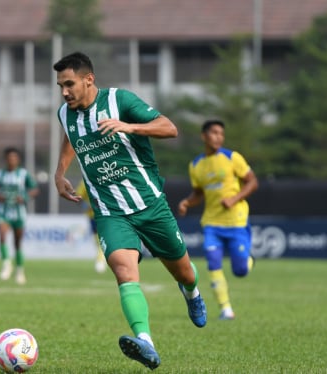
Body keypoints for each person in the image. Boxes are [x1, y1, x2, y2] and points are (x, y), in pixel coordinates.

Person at [52, 52, 207, 370]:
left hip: (150, 205)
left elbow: (169, 128)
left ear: (88, 79)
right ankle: (146, 342)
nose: (64, 92)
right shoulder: (65, 113)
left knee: (185, 273)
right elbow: (72, 137)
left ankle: (192, 294)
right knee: (124, 271)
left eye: (69, 84)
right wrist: (59, 173)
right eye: (60, 86)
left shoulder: (119, 100)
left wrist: (129, 127)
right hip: (109, 211)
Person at [177, 119, 258, 320]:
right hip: (211, 223)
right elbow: (198, 194)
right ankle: (226, 309)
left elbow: (253, 182)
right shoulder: (196, 165)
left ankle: (248, 261)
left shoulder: (232, 158)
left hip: (236, 221)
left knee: (240, 270)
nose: (218, 137)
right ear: (204, 136)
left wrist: (235, 198)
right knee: (213, 263)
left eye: (221, 133)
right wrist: (187, 202)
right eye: (214, 133)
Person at [0, 147, 39, 285]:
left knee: (17, 243)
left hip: (19, 212)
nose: (12, 160)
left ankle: (20, 271)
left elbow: (34, 189)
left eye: (14, 158)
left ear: (18, 160)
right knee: (2, 236)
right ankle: (6, 264)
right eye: (9, 158)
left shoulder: (23, 174)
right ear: (6, 159)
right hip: (4, 210)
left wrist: (24, 197)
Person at [75, 179, 107, 273]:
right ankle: (102, 257)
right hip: (92, 215)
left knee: (103, 238)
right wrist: (87, 206)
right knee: (97, 240)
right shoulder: (85, 182)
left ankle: (101, 260)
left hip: (106, 215)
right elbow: (78, 197)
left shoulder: (105, 178)